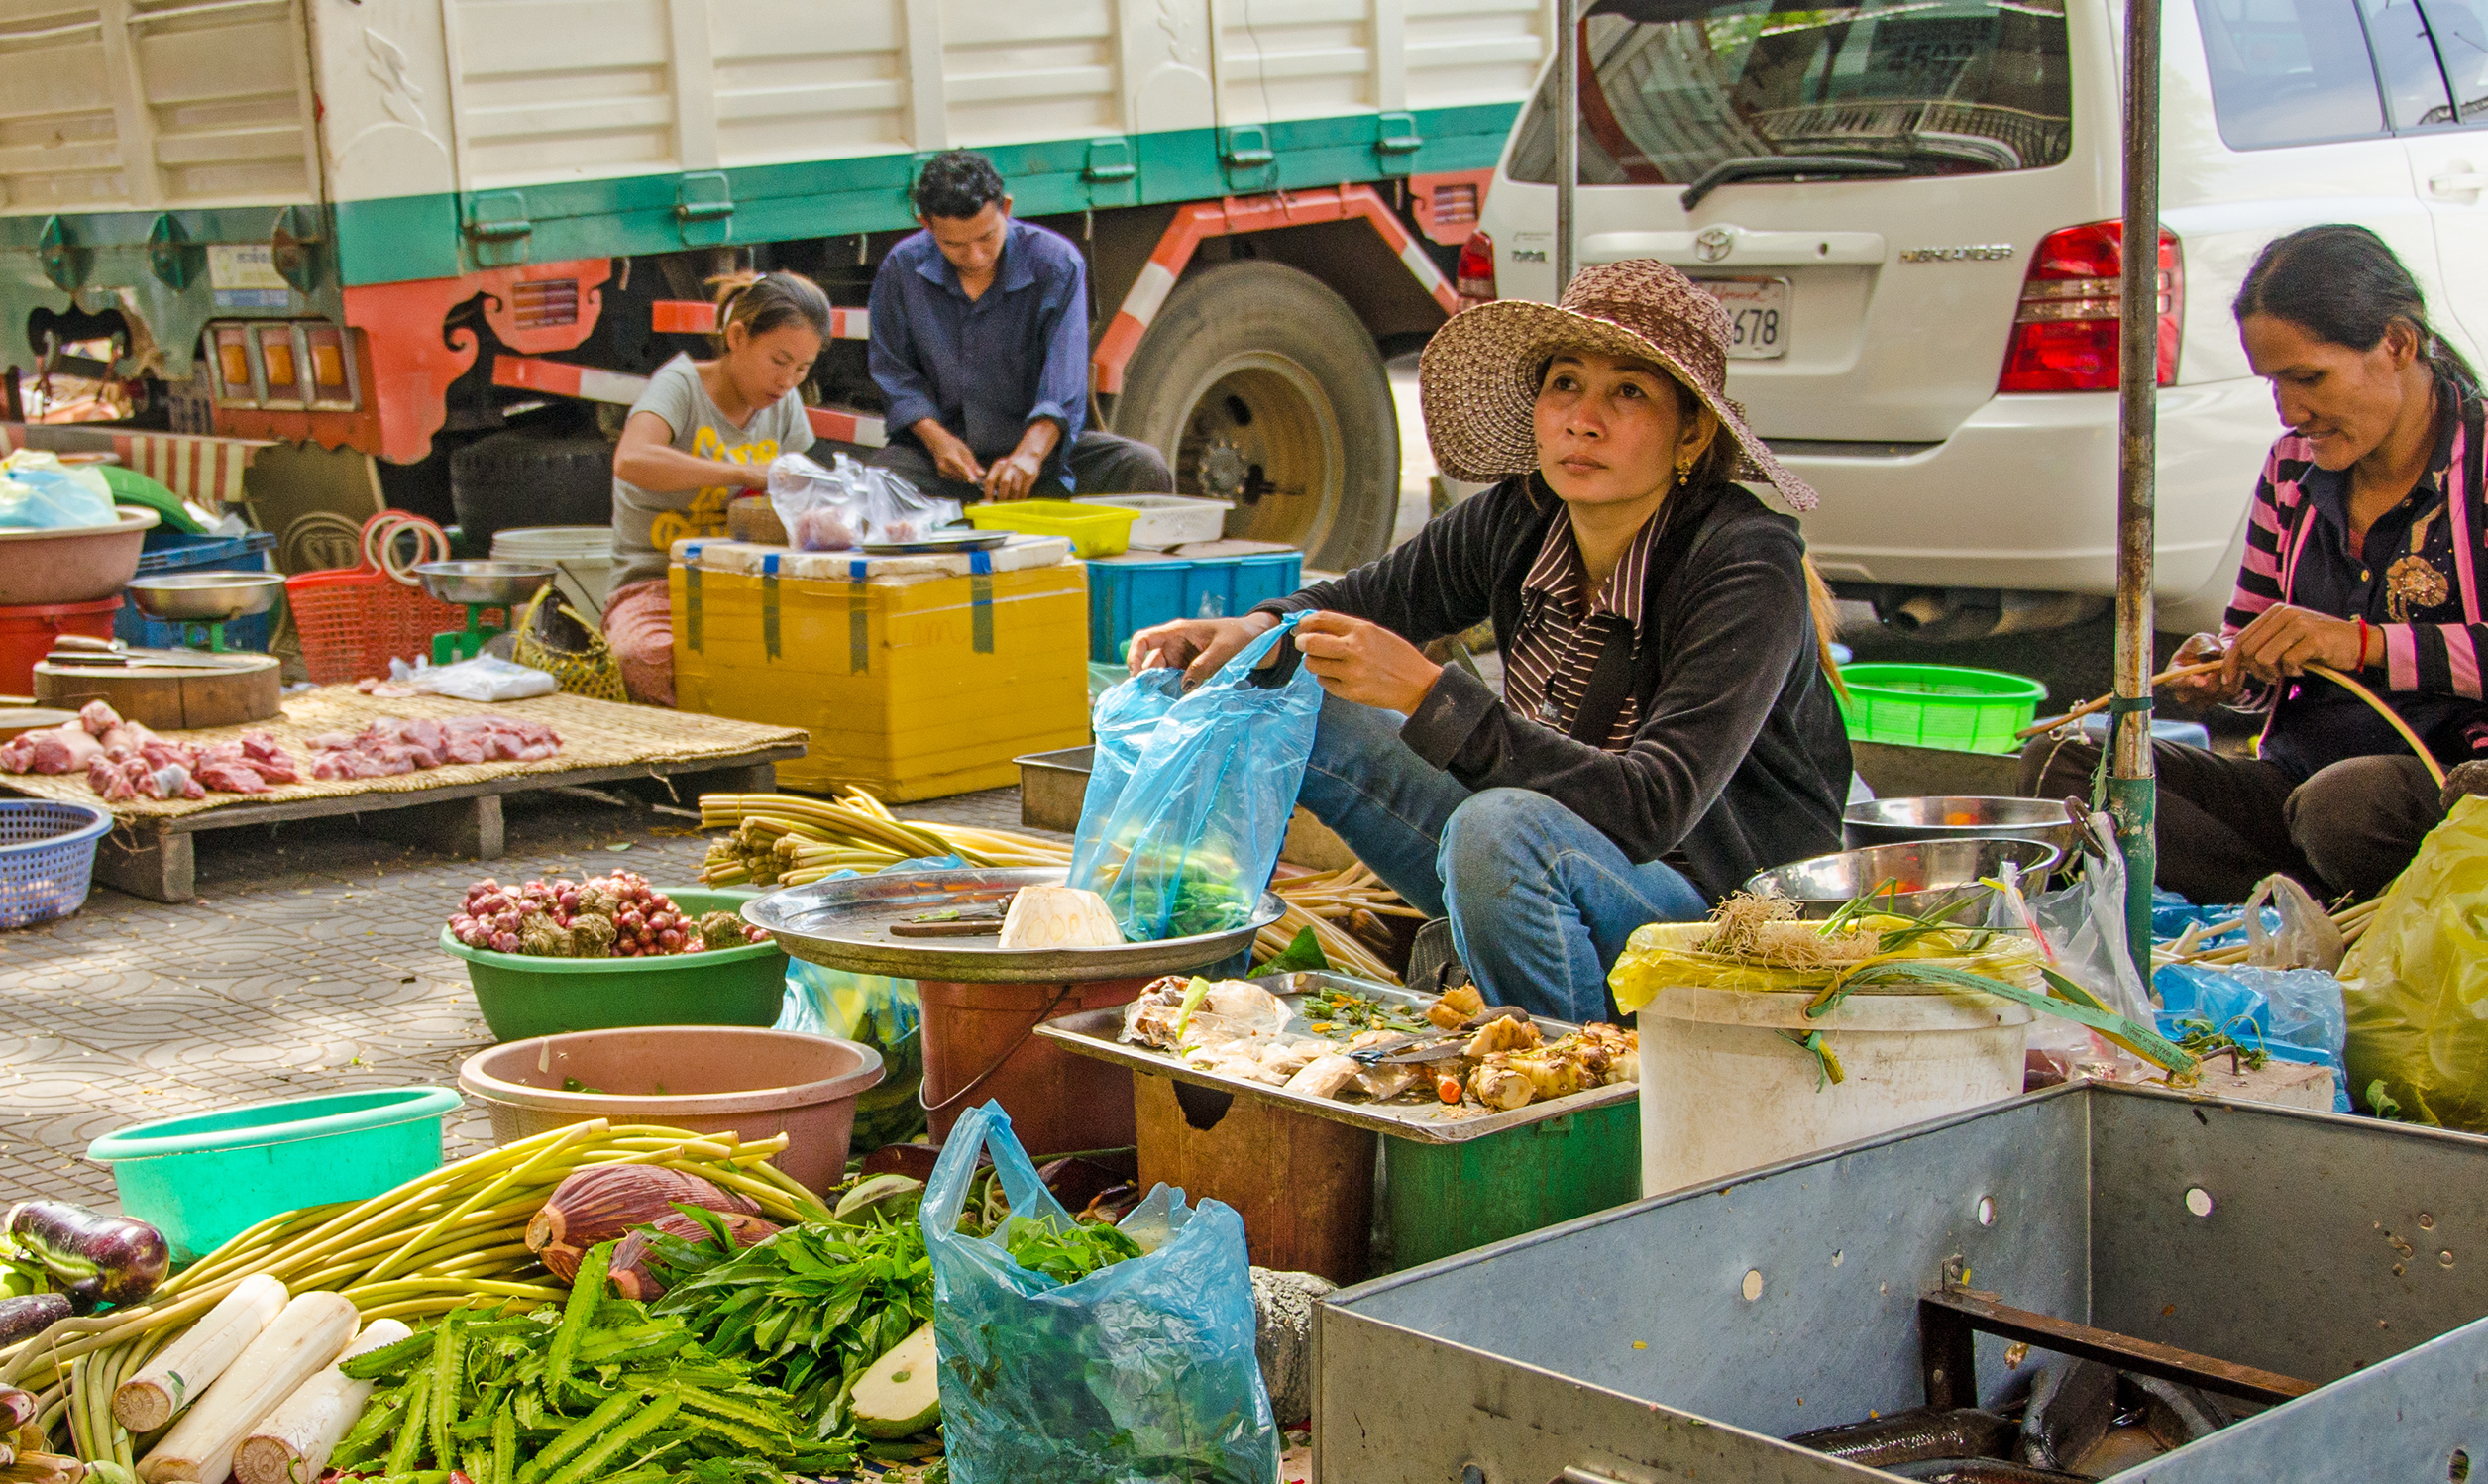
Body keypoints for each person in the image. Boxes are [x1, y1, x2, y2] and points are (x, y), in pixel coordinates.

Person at [1129, 261, 1848, 1024]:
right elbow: (1363, 599)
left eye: (1628, 393)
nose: (1583, 419)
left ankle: (1566, 1082)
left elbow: (1650, 807)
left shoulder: (1743, 565)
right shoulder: (1522, 517)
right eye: (1565, 384)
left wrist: (1426, 696)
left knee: (1495, 829)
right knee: (1279, 692)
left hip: (1710, 914)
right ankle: (1197, 995)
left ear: (1692, 432)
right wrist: (1254, 629)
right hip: (1541, 858)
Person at [2028, 225, 2488, 902]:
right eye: (2274, 383)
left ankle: (2300, 907)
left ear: (2396, 344)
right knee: (2064, 768)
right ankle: (2299, 910)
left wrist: (2366, 645)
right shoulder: (2292, 468)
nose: (2291, 411)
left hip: (2465, 788)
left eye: (2309, 378)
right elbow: (2253, 642)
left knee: (2345, 806)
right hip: (2297, 784)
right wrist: (2229, 666)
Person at [868, 150, 1173, 505]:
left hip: (1040, 457)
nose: (975, 256)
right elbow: (895, 375)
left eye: (986, 237)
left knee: (1142, 467)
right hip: (945, 462)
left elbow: (1064, 379)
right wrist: (938, 441)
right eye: (954, 244)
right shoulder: (901, 269)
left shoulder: (1057, 263)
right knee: (873, 486)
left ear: (1006, 209)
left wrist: (1030, 454)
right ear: (926, 224)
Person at [600, 271, 832, 705]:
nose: (787, 381)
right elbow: (631, 460)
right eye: (779, 361)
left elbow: (801, 487)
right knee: (646, 656)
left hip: (743, 582)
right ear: (738, 336)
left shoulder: (785, 404)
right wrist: (742, 473)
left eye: (802, 369)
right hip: (655, 586)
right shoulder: (680, 386)